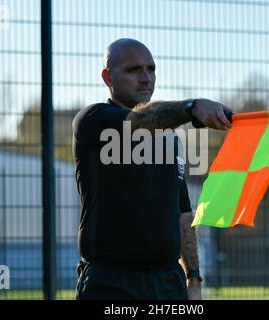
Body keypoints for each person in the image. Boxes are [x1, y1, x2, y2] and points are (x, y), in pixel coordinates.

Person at [72, 38, 232, 300]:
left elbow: (182, 211)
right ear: (107, 77)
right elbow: (139, 119)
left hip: (168, 283)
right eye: (133, 70)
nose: (146, 78)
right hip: (111, 283)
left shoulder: (169, 139)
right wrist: (192, 108)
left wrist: (193, 276)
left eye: (151, 69)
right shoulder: (93, 120)